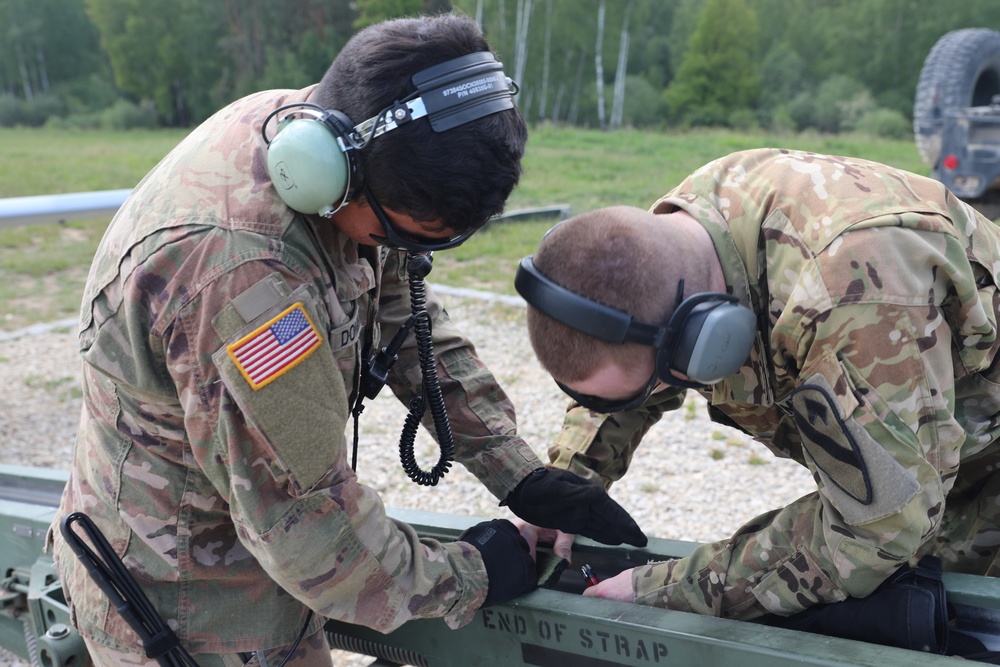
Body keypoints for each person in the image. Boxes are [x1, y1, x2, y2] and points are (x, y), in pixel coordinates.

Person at [48, 13, 645, 667]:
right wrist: (467, 576)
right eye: (408, 233)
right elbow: (309, 526)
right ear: (330, 172)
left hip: (250, 560)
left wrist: (519, 470)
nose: (412, 253)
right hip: (192, 605)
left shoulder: (340, 137)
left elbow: (406, 315)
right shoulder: (246, 280)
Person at [514, 148, 1000, 628]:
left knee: (953, 621)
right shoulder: (677, 239)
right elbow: (631, 370)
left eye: (661, 379)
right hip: (929, 438)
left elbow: (879, 531)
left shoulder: (848, 294)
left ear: (708, 336)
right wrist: (568, 483)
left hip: (986, 461)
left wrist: (666, 589)